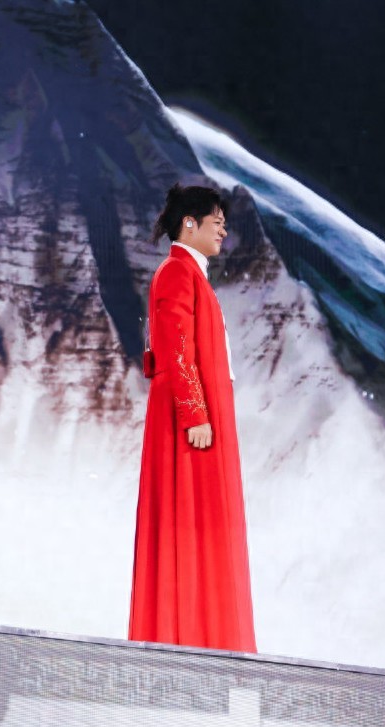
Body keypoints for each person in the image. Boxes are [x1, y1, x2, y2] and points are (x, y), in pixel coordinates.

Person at [129, 183, 257, 652]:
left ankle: (208, 635)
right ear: (189, 223)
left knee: (205, 527)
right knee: (187, 522)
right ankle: (188, 636)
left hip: (201, 417)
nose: (224, 230)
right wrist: (194, 414)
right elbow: (175, 347)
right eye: (216, 221)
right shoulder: (177, 274)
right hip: (190, 425)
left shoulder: (192, 276)